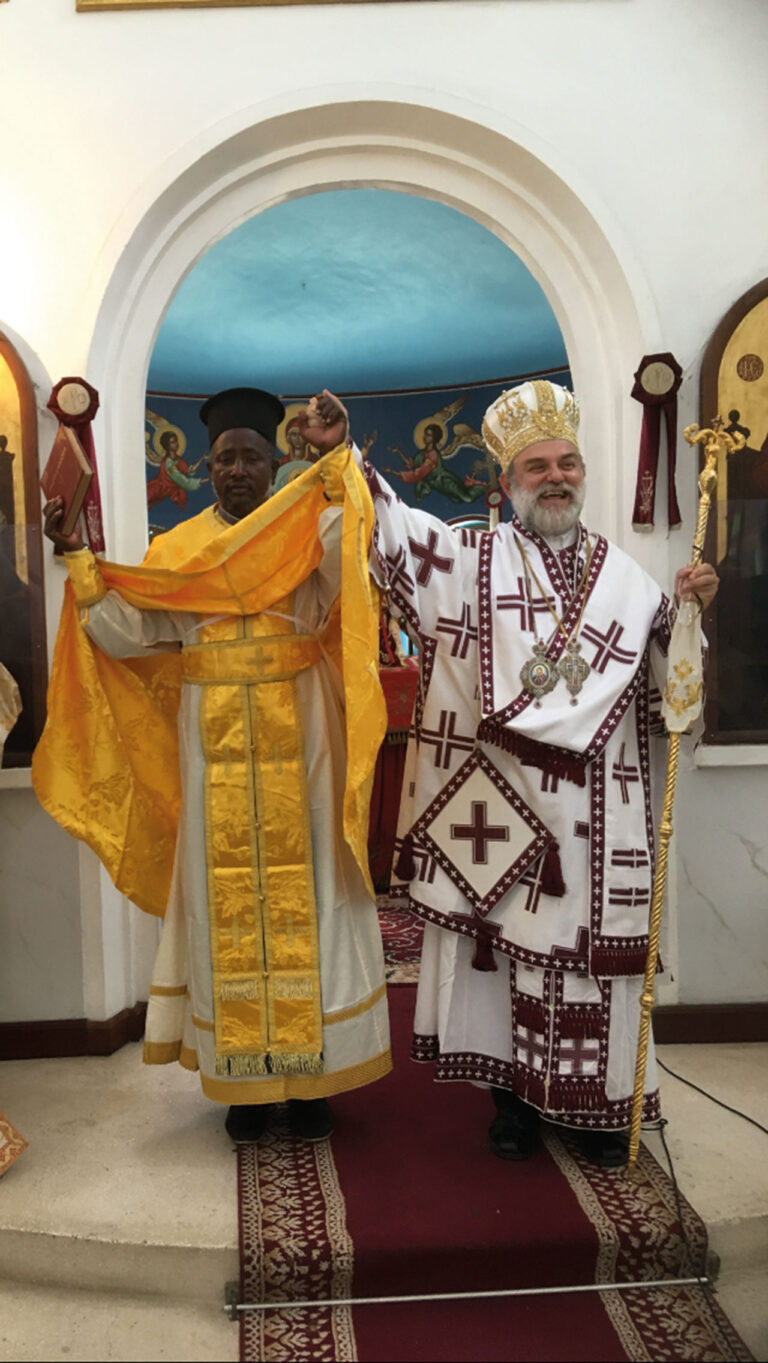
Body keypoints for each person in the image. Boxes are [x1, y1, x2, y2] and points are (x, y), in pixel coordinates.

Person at [348, 378, 717, 1167]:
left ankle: (595, 1106)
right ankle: (512, 1103)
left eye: (569, 463)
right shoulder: (475, 558)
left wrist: (687, 616)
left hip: (598, 817)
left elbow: (670, 689)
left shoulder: (628, 580)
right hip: (510, 809)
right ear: (507, 484)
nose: (557, 476)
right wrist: (345, 457)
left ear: (584, 475)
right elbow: (401, 534)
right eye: (538, 465)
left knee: (591, 965)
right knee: (506, 955)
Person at [37, 387, 391, 1145]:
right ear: (206, 465)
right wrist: (76, 553)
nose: (238, 468)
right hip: (212, 749)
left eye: (253, 456)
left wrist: (333, 461)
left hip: (304, 742)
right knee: (222, 903)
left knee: (315, 902)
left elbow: (347, 566)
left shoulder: (304, 527)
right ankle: (248, 1084)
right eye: (225, 456)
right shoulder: (178, 551)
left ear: (274, 462)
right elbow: (128, 631)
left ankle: (312, 1079)